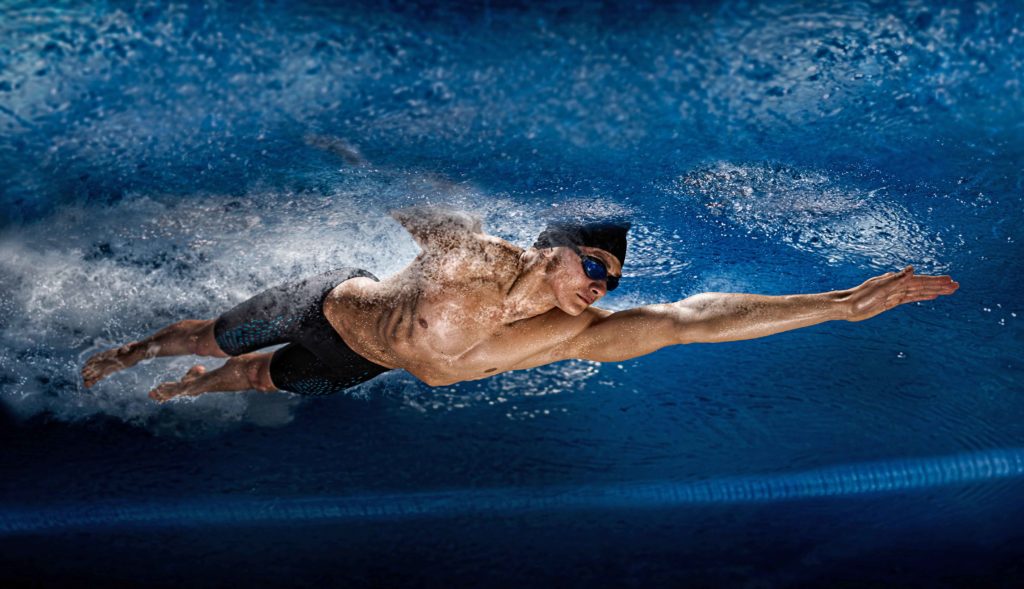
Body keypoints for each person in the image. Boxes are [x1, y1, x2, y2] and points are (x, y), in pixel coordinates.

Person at [81, 208, 959, 402]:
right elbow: (424, 210)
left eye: (611, 275)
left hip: (362, 364)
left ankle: (187, 389)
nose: (600, 284)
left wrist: (842, 302)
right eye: (591, 262)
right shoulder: (472, 259)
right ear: (549, 249)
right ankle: (127, 356)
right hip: (327, 309)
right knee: (212, 332)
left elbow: (699, 316)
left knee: (250, 382)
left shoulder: (576, 329)